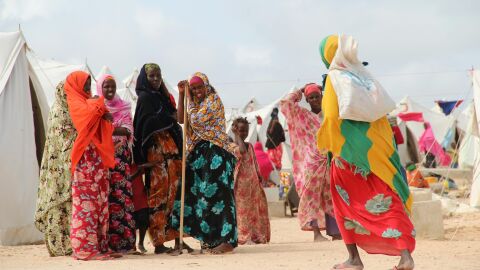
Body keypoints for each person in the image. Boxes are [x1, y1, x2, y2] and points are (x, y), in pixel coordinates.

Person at [317, 35, 415, 270]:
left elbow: (330, 116)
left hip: (347, 154)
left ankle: (354, 259)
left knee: (343, 203)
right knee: (385, 198)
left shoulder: (334, 77)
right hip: (376, 153)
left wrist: (326, 141)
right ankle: (405, 256)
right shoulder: (364, 75)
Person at [173, 72, 239, 254]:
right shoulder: (194, 104)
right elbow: (180, 119)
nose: (197, 91)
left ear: (206, 86)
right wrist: (181, 94)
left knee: (221, 197)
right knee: (203, 198)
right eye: (193, 89)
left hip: (216, 153)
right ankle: (211, 239)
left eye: (199, 87)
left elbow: (195, 120)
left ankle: (227, 240)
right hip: (200, 155)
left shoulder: (213, 100)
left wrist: (189, 101)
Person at [64, 71, 117, 260]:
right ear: (76, 86)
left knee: (100, 202)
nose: (87, 89)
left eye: (88, 85)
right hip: (85, 160)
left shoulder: (88, 101)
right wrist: (99, 104)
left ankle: (100, 246)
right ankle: (84, 249)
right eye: (84, 85)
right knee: (85, 205)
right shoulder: (76, 102)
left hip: (97, 159)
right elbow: (89, 116)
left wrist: (100, 107)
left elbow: (106, 118)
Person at [132, 63, 184, 254]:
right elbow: (144, 125)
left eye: (159, 76)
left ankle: (176, 239)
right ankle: (158, 243)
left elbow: (176, 117)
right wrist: (167, 117)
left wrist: (175, 98)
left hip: (171, 154)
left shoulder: (161, 97)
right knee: (157, 198)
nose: (156, 79)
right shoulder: (145, 99)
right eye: (152, 76)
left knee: (173, 197)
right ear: (146, 78)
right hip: (156, 155)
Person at [280, 83, 341, 241]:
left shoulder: (330, 114)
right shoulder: (302, 115)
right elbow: (285, 104)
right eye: (311, 97)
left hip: (329, 160)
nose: (314, 100)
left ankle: (335, 231)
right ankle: (316, 233)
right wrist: (299, 92)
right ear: (306, 100)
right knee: (310, 197)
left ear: (322, 97)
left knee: (332, 195)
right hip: (311, 162)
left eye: (317, 96)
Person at [34, 81, 77, 256]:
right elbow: (64, 142)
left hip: (61, 169)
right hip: (58, 169)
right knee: (58, 207)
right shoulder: (60, 113)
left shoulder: (68, 111)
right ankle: (60, 246)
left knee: (65, 207)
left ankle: (67, 244)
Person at [97, 74, 136, 253]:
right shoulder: (97, 108)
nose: (110, 90)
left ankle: (126, 243)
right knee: (105, 200)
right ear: (100, 89)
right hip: (103, 161)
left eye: (113, 87)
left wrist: (108, 128)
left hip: (121, 161)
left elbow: (128, 131)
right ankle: (106, 244)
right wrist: (114, 129)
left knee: (122, 200)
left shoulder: (124, 107)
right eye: (106, 87)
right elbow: (96, 130)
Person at [232, 117, 271, 245]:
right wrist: (237, 136)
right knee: (242, 212)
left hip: (252, 185)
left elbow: (254, 163)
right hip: (240, 186)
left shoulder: (250, 146)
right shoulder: (232, 146)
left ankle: (255, 236)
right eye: (241, 131)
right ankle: (244, 237)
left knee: (254, 212)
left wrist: (259, 177)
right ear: (235, 130)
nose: (244, 133)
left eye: (246, 131)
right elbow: (241, 151)